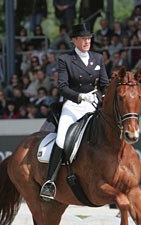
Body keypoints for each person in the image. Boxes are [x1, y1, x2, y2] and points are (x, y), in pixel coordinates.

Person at [40, 22, 109, 201]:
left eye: (89, 38)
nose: (87, 41)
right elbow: (62, 87)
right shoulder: (65, 59)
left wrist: (106, 95)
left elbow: (104, 84)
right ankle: (50, 182)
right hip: (73, 105)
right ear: (74, 41)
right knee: (62, 139)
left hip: (93, 104)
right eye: (83, 38)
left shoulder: (98, 58)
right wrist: (79, 97)